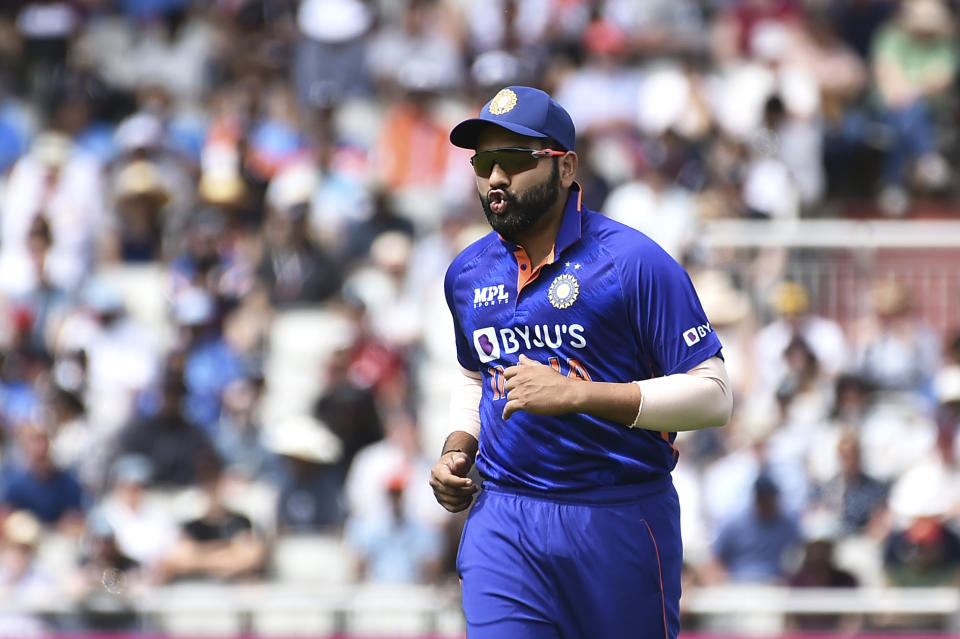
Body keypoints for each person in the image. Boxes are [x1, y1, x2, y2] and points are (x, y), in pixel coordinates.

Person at [429, 86, 732, 639]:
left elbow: (714, 396)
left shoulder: (634, 263)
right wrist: (457, 448)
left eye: (516, 161)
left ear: (566, 167)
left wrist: (578, 395)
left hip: (618, 517)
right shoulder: (467, 273)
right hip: (505, 519)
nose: (496, 178)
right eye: (484, 163)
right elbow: (475, 373)